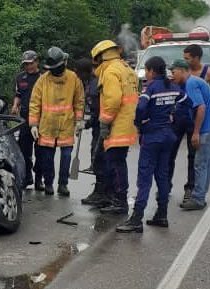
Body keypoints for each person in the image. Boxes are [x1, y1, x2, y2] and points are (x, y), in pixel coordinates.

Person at [116, 57, 184, 233]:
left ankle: (136, 219)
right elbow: (186, 104)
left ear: (152, 71)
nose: (146, 74)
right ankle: (162, 215)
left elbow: (140, 109)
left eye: (146, 70)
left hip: (153, 136)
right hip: (168, 135)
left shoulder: (151, 88)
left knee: (144, 179)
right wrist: (173, 119)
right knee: (162, 176)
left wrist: (140, 124)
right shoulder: (174, 87)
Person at [90, 40, 138, 214]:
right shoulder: (126, 69)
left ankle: (119, 201)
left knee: (115, 165)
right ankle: (114, 198)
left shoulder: (110, 72)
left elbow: (113, 100)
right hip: (127, 124)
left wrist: (105, 122)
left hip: (117, 126)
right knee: (117, 162)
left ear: (100, 57)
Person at [28, 47, 84, 196]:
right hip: (48, 125)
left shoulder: (73, 78)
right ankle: (48, 183)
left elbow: (79, 101)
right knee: (47, 158)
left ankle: (63, 184)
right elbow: (35, 103)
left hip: (66, 125)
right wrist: (33, 124)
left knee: (66, 157)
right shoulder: (43, 80)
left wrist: (79, 120)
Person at [170, 59, 210, 210]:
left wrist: (196, 132)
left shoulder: (191, 84)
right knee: (205, 164)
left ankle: (198, 199)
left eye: (173, 72)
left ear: (182, 70)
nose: (172, 76)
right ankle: (200, 196)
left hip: (205, 129)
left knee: (199, 164)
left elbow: (200, 107)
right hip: (207, 128)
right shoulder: (195, 81)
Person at [75, 58, 108, 206]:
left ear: (84, 72)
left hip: (101, 128)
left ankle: (101, 193)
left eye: (78, 72)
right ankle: (104, 192)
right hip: (99, 127)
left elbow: (97, 112)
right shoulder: (90, 82)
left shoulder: (94, 86)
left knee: (98, 160)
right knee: (99, 159)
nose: (76, 75)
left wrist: (86, 124)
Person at [11, 50, 43, 189]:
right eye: (26, 64)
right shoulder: (20, 78)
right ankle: (26, 177)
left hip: (41, 118)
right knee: (24, 150)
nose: (28, 66)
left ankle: (39, 179)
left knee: (41, 151)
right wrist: (14, 105)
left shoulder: (44, 78)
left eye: (30, 63)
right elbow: (18, 94)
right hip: (24, 118)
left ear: (36, 62)